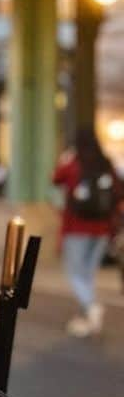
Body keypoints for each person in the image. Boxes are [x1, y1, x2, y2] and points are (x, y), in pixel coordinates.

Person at [52, 126, 122, 337]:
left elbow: (55, 178)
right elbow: (118, 191)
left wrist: (66, 159)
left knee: (75, 272)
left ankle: (91, 307)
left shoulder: (73, 163)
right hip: (101, 228)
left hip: (76, 227)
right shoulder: (106, 162)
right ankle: (87, 317)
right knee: (88, 274)